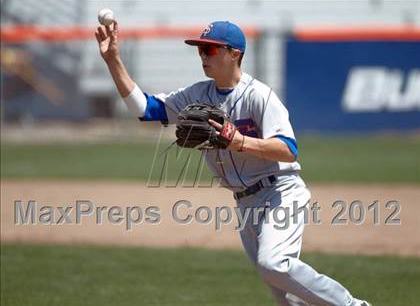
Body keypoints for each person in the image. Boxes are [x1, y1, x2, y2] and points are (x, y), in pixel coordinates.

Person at [95, 20, 370, 306]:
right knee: (287, 298)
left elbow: (288, 149)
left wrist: (238, 141)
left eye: (210, 50)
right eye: (200, 50)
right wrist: (113, 60)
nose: (203, 56)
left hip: (280, 193)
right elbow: (145, 110)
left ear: (234, 53)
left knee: (274, 264)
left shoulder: (259, 96)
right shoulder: (196, 95)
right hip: (245, 203)